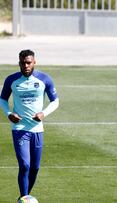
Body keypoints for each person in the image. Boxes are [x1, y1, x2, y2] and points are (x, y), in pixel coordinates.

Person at [0, 49, 59, 200]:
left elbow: (55, 101)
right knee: (25, 165)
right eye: (23, 63)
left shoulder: (44, 79)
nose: (26, 65)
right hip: (20, 128)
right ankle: (24, 197)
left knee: (35, 167)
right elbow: (2, 100)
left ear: (34, 62)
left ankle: (25, 196)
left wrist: (43, 113)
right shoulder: (11, 80)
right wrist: (9, 114)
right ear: (19, 63)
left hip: (37, 129)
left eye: (29, 62)